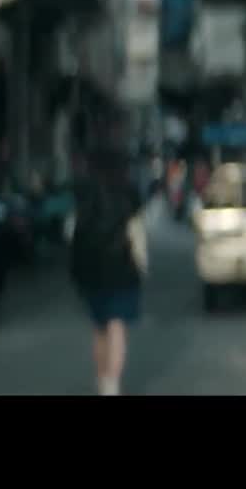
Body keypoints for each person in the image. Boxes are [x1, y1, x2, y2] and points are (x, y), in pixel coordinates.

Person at [69, 146, 148, 396]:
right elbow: (136, 232)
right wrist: (142, 265)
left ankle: (102, 378)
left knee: (99, 327)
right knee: (117, 326)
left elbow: (73, 231)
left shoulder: (84, 190)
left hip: (92, 270)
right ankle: (112, 385)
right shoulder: (128, 191)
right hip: (122, 268)